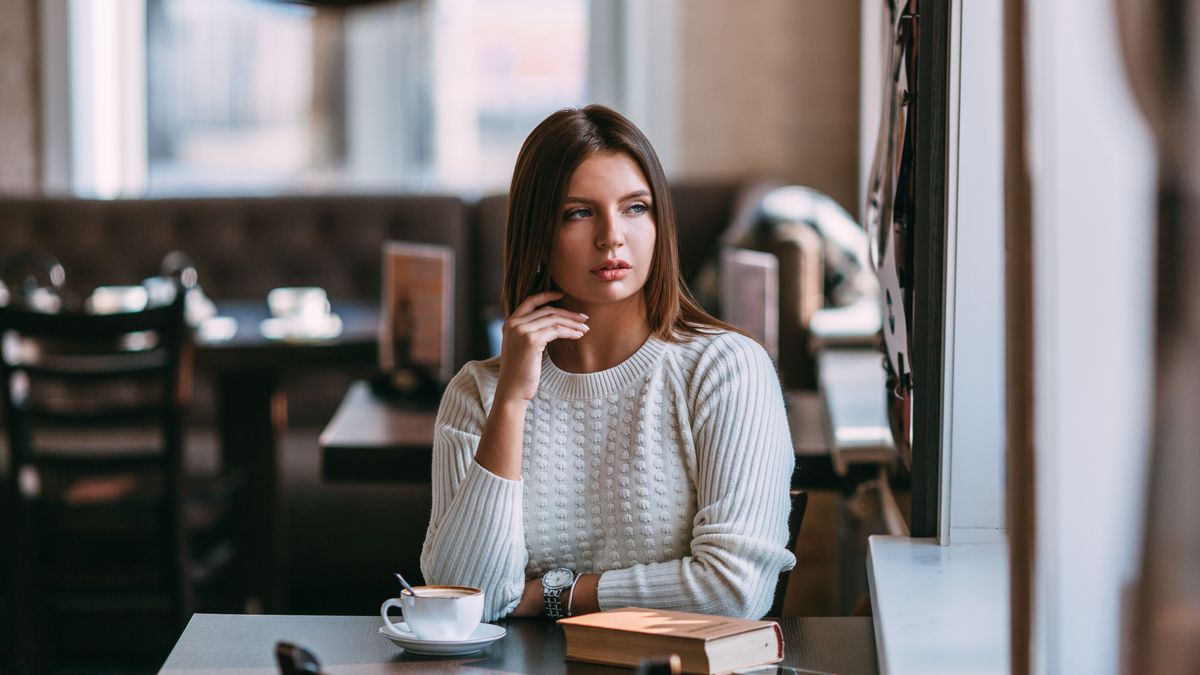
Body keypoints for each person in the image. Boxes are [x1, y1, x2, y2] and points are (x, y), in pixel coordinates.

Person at [420, 104, 795, 622]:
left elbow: (734, 591)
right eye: (579, 212)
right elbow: (467, 600)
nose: (611, 236)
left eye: (635, 207)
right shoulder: (479, 393)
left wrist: (553, 595)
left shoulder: (726, 369)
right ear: (538, 233)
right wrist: (511, 400)